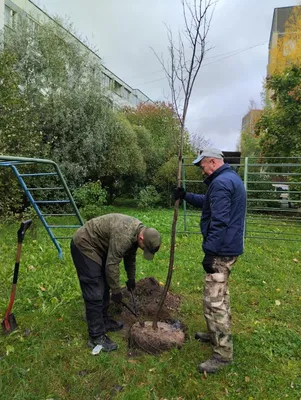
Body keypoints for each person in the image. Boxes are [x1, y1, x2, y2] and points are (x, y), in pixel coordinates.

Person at [174, 148, 246, 373]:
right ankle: (215, 333)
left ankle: (223, 354)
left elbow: (219, 220)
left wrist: (210, 252)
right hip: (228, 247)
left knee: (214, 301)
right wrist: (185, 196)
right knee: (221, 295)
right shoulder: (228, 178)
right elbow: (209, 202)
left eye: (202, 165)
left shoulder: (221, 183)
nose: (201, 170)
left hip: (221, 250)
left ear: (212, 162)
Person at [70, 213, 161, 352]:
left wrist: (131, 279)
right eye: (145, 248)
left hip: (100, 247)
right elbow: (112, 264)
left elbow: (130, 258)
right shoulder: (124, 235)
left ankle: (104, 320)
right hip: (85, 244)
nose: (144, 251)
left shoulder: (138, 232)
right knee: (94, 288)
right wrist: (116, 291)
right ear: (141, 238)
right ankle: (96, 336)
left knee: (105, 283)